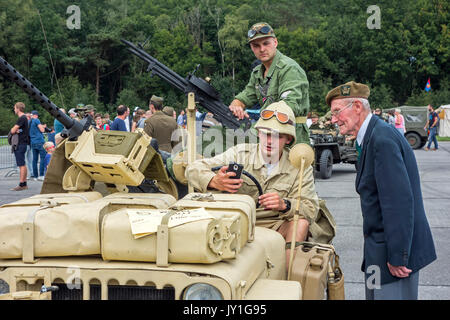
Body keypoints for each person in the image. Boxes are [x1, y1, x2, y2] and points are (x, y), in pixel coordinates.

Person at [327, 81, 436, 300]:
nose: (333, 119)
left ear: (357, 107)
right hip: (377, 254)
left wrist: (398, 256)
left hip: (392, 259)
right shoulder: (371, 136)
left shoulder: (382, 139)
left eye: (337, 111)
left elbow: (398, 203)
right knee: (373, 296)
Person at [186, 101, 319, 268]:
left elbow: (311, 209)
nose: (270, 140)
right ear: (258, 133)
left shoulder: (298, 165)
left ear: (288, 139)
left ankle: (285, 277)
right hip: (236, 222)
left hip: (275, 224)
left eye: (277, 135)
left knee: (301, 223)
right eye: (266, 133)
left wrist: (285, 205)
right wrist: (214, 181)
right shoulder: (240, 153)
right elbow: (193, 168)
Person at [228, 22, 311, 144]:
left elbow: (288, 106)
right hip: (267, 135)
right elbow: (245, 96)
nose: (262, 49)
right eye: (256, 45)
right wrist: (236, 105)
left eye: (266, 43)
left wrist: (255, 127)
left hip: (291, 137)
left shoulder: (289, 68)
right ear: (252, 48)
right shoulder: (257, 72)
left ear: (275, 43)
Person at [10, 102, 29, 191]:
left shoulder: (21, 118)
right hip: (23, 143)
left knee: (21, 164)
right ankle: (24, 183)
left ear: (18, 108)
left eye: (14, 108)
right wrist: (18, 130)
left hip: (20, 144)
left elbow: (13, 130)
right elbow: (19, 130)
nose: (14, 110)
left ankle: (21, 184)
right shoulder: (24, 118)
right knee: (23, 164)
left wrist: (14, 130)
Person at [29, 110, 48, 181]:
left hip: (33, 142)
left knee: (34, 159)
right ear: (36, 115)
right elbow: (42, 130)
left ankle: (35, 176)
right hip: (40, 141)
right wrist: (44, 127)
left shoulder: (29, 122)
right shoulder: (37, 120)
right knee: (43, 158)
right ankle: (41, 175)